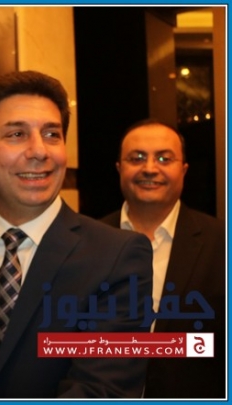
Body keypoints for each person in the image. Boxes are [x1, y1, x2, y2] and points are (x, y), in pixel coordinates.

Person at [0, 70, 153, 398]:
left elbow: (101, 389)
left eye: (51, 134)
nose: (39, 150)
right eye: (17, 134)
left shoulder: (117, 257)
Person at [102, 119, 225, 398]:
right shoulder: (86, 241)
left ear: (183, 170)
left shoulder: (222, 243)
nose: (149, 168)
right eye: (137, 158)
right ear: (120, 168)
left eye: (164, 159)